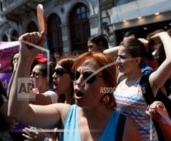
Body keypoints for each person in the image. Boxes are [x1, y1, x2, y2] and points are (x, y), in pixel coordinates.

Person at [8, 32, 140, 141]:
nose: (78, 81)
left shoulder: (124, 127)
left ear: (107, 84)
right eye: (76, 75)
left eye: (88, 76)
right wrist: (25, 59)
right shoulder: (65, 113)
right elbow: (17, 112)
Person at [113, 31, 171, 140]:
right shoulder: (121, 78)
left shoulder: (149, 81)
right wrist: (134, 44)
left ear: (136, 60)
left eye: (122, 57)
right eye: (116, 57)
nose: (117, 61)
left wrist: (163, 35)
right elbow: (104, 53)